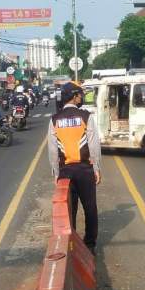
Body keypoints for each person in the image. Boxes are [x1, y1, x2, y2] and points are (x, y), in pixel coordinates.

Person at [47, 82, 102, 255]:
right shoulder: (86, 117)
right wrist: (97, 168)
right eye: (79, 94)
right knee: (90, 208)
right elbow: (94, 146)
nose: (81, 97)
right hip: (85, 170)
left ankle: (72, 244)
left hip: (66, 173)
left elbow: (52, 150)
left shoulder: (54, 120)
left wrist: (56, 173)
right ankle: (90, 245)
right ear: (74, 96)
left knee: (70, 211)